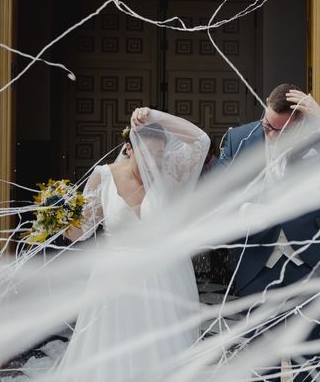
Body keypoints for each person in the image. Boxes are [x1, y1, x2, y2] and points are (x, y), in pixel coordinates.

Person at [56, 107, 210, 381]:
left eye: (160, 155)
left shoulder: (170, 174)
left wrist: (154, 116)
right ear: (129, 148)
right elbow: (80, 232)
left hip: (164, 278)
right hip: (115, 279)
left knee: (162, 349)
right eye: (148, 154)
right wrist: (56, 218)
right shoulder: (102, 176)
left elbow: (201, 140)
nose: (155, 161)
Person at [218, 83, 320, 382]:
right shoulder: (239, 138)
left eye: (281, 131)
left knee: (307, 357)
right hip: (257, 265)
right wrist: (243, 212)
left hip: (313, 263)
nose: (271, 134)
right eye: (268, 125)